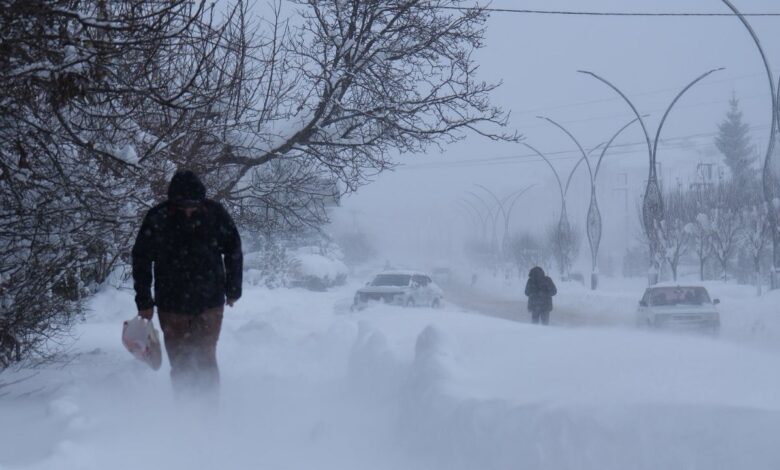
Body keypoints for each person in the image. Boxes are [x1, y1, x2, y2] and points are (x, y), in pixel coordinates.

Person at [132, 170, 242, 395]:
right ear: (174, 201)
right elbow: (141, 260)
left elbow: (233, 251)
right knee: (180, 361)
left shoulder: (216, 214)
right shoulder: (157, 218)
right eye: (183, 206)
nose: (189, 210)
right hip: (171, 305)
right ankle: (186, 412)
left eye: (193, 205)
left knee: (206, 358)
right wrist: (144, 301)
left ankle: (209, 412)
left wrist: (233, 289)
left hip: (210, 303)